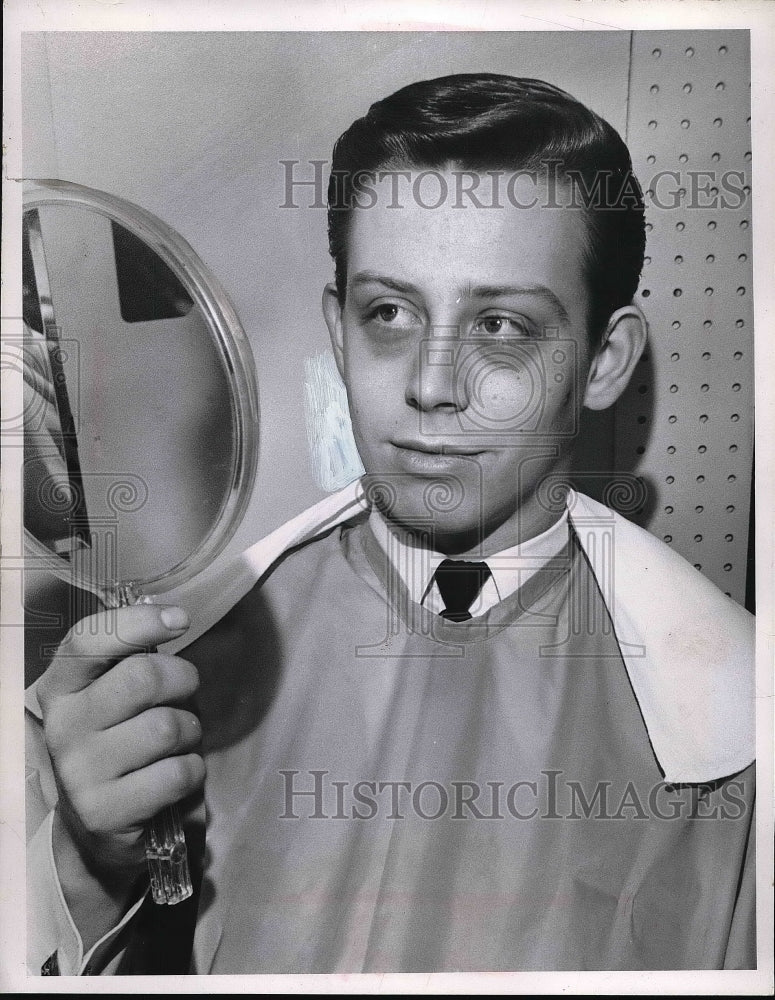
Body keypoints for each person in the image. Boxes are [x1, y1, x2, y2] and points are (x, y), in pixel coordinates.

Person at [26, 74, 755, 975]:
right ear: (338, 331)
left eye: (498, 325)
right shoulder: (177, 666)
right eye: (390, 313)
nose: (429, 384)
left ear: (604, 361)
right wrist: (89, 868)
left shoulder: (733, 726)